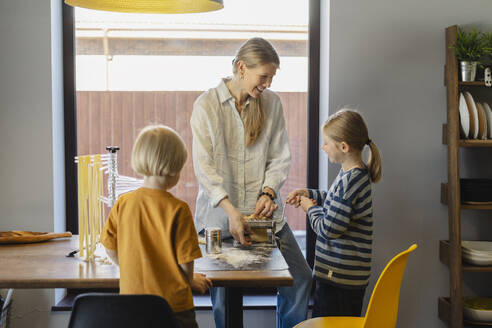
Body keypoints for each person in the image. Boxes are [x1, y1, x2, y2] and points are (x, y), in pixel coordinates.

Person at [190, 37, 312, 328]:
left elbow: (280, 156)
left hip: (267, 218)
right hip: (220, 219)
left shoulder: (272, 103)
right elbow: (204, 168)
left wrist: (269, 192)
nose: (268, 83)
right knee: (221, 289)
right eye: (264, 76)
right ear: (242, 68)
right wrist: (232, 212)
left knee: (302, 278)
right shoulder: (207, 105)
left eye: (272, 77)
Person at [100, 125, 212, 328]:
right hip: (173, 310)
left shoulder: (123, 203)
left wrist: (131, 269)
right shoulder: (179, 209)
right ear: (175, 168)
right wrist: (191, 281)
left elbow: (110, 248)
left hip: (132, 306)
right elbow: (186, 268)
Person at [286, 109, 382, 318]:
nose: (323, 147)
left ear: (344, 147)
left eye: (326, 143)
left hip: (340, 281)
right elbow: (334, 200)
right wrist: (309, 193)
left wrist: (310, 208)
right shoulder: (352, 174)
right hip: (342, 278)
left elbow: (328, 228)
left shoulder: (351, 181)